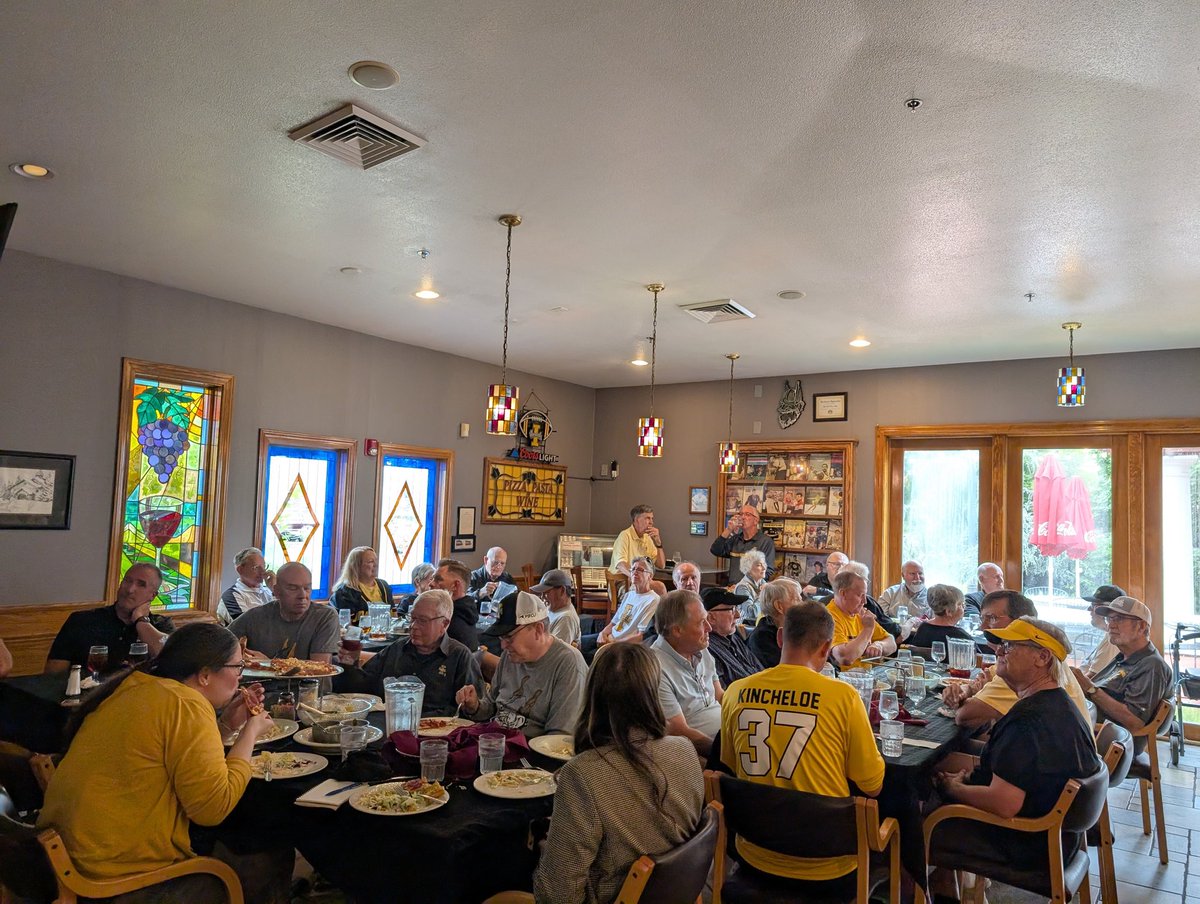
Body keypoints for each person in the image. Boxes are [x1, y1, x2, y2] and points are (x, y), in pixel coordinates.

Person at [38, 623, 273, 901]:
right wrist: (249, 733)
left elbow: (174, 757)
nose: (240, 678)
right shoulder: (186, 704)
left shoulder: (136, 685)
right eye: (238, 668)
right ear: (205, 675)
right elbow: (213, 808)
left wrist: (225, 727)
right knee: (262, 849)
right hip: (113, 870)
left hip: (64, 852)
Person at [720, 602, 885, 893]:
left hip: (754, 850)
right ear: (826, 647)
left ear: (780, 637)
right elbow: (872, 786)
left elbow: (732, 767)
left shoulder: (735, 692)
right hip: (827, 864)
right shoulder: (844, 697)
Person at [931, 618, 1101, 894]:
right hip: (1059, 838)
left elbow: (1004, 803)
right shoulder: (1059, 703)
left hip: (1025, 844)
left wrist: (954, 789)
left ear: (1042, 658)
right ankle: (952, 886)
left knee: (916, 807)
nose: (999, 650)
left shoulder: (1027, 721)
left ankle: (918, 887)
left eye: (1009, 646)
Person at [532, 643, 704, 904]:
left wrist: (546, 850)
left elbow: (557, 895)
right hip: (681, 891)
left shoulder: (582, 774)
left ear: (592, 694)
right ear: (653, 693)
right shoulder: (684, 750)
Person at [944, 590, 1091, 729]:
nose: (982, 627)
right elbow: (978, 685)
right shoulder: (1022, 663)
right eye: (982, 619)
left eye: (992, 618)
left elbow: (965, 717)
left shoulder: (1024, 672)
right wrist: (967, 690)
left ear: (1021, 621)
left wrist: (972, 694)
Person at [456, 591, 587, 738]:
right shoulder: (510, 656)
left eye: (509, 637)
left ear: (538, 629)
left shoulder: (568, 664)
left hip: (530, 749)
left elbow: (559, 739)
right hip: (495, 739)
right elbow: (492, 707)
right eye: (501, 638)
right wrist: (474, 706)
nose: (503, 645)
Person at [334, 589, 481, 713]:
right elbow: (362, 690)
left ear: (444, 624)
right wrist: (349, 664)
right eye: (412, 618)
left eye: (422, 620)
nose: (414, 626)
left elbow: (476, 710)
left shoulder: (459, 656)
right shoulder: (398, 648)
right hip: (389, 725)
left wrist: (472, 705)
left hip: (437, 730)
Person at [1072, 595, 1173, 754]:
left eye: (1118, 619)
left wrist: (1090, 689)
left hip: (1107, 740)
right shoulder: (1124, 656)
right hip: (1086, 726)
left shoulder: (1152, 665)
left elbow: (1134, 723)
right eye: (1109, 619)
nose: (1111, 625)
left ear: (1141, 626)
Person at [46, 563, 175, 674]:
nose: (130, 589)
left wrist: (140, 620)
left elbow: (170, 659)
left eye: (141, 585)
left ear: (153, 595)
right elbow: (53, 675)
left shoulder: (161, 625)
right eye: (127, 581)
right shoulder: (81, 621)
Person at [650, 590, 723, 754]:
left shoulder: (699, 648)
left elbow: (720, 696)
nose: (709, 628)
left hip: (728, 736)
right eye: (702, 622)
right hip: (702, 753)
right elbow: (678, 731)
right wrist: (725, 751)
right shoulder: (655, 668)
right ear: (677, 630)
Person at [228, 562, 338, 663]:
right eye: (293, 588)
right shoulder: (256, 616)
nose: (302, 595)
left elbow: (320, 668)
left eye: (307, 588)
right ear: (277, 591)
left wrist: (269, 664)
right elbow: (221, 643)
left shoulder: (325, 616)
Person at [827, 564, 897, 669]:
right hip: (842, 677)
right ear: (843, 593)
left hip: (867, 675)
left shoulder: (860, 613)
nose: (865, 601)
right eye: (860, 595)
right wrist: (868, 629)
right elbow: (845, 657)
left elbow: (892, 643)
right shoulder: (828, 617)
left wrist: (879, 645)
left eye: (865, 595)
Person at [702, 587, 763, 687]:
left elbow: (760, 670)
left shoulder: (734, 638)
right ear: (711, 618)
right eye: (732, 610)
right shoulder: (707, 650)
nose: (738, 615)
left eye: (736, 608)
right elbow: (723, 693)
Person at [596, 557, 660, 646]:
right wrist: (602, 634)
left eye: (640, 570)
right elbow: (613, 623)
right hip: (610, 638)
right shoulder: (628, 595)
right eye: (633, 569)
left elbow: (640, 636)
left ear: (650, 576)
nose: (635, 572)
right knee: (582, 642)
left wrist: (614, 644)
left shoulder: (653, 600)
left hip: (623, 646)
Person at [710, 505, 776, 584]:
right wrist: (728, 529)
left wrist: (744, 586)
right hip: (732, 587)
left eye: (747, 514)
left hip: (752, 589)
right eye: (741, 514)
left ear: (756, 521)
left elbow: (767, 572)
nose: (743, 517)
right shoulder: (735, 539)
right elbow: (715, 550)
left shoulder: (765, 541)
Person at [748, 578, 803, 668]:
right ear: (779, 606)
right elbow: (783, 670)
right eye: (797, 599)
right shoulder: (762, 638)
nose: (802, 604)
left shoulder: (795, 629)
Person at [330, 546, 394, 621]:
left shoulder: (384, 586)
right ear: (356, 566)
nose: (376, 564)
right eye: (371, 561)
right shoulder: (344, 592)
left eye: (376, 560)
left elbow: (394, 616)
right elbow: (343, 624)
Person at [432, 558, 480, 652]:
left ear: (455, 585)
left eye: (438, 580)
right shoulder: (466, 611)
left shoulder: (448, 623)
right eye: (432, 579)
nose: (431, 584)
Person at [216, 547, 274, 625]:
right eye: (256, 567)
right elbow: (247, 626)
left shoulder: (269, 592)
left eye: (264, 566)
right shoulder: (231, 597)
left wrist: (275, 589)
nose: (263, 571)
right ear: (240, 570)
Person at [1078, 584, 1126, 677]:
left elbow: (1093, 679)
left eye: (1094, 605)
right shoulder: (1108, 636)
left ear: (1108, 610)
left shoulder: (1112, 642)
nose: (1089, 609)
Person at [907, 584, 973, 649]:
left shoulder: (923, 627)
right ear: (948, 611)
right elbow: (977, 655)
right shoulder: (960, 636)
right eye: (961, 604)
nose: (964, 607)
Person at [610, 504, 665, 576]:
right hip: (623, 580)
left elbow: (661, 565)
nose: (651, 522)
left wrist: (658, 542)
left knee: (661, 583)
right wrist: (637, 577)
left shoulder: (647, 537)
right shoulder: (625, 535)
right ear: (637, 520)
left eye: (652, 518)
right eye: (647, 518)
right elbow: (620, 564)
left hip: (640, 580)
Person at [531, 568, 581, 646]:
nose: (542, 597)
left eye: (546, 592)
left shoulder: (566, 618)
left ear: (562, 591)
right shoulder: (552, 608)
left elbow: (555, 650)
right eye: (542, 593)